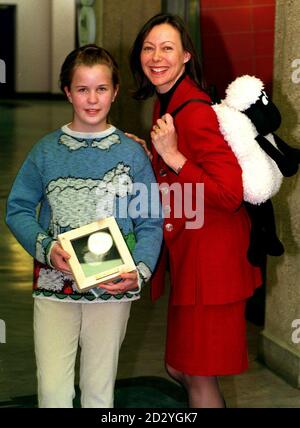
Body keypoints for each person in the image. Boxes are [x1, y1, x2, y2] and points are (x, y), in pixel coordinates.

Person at [6, 44, 163, 408]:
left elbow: (151, 221)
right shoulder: (45, 151)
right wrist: (46, 248)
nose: (92, 99)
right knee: (53, 392)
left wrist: (139, 271)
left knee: (98, 391)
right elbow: (18, 209)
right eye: (82, 89)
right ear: (67, 92)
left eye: (101, 88)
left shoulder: (131, 153)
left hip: (113, 287)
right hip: (54, 285)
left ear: (115, 91)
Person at [129, 13, 262, 408]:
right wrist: (153, 155)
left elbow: (228, 194)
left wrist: (171, 155)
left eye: (167, 48)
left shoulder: (197, 110)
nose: (156, 57)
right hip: (193, 260)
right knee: (179, 367)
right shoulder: (167, 102)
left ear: (186, 55)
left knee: (195, 372)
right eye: (149, 47)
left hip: (213, 267)